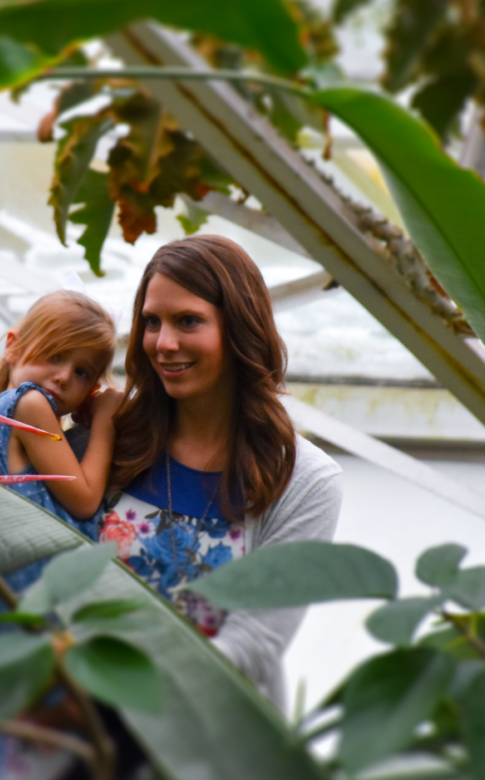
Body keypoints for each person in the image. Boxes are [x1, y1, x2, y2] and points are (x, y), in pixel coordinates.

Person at [102, 234, 343, 710]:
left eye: (188, 321)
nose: (164, 343)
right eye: (152, 322)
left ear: (238, 328)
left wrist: (117, 693)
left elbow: (252, 645)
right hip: (68, 725)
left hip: (204, 740)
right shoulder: (110, 439)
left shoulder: (305, 481)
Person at [0, 290, 122, 637]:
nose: (64, 377)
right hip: (23, 600)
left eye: (83, 372)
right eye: (55, 355)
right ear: (13, 346)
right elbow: (86, 500)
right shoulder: (30, 405)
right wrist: (107, 420)